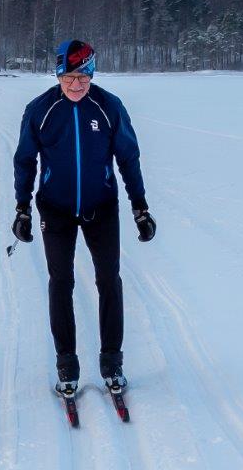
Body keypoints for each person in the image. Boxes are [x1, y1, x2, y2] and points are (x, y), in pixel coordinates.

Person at [12, 39, 156, 396]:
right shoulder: (41, 110)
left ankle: (112, 361)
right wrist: (22, 208)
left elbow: (128, 158)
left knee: (109, 280)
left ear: (92, 74)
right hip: (55, 209)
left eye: (83, 77)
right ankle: (67, 363)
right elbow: (25, 160)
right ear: (59, 74)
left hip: (101, 207)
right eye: (70, 77)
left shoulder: (108, 107)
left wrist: (140, 207)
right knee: (61, 282)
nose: (77, 85)